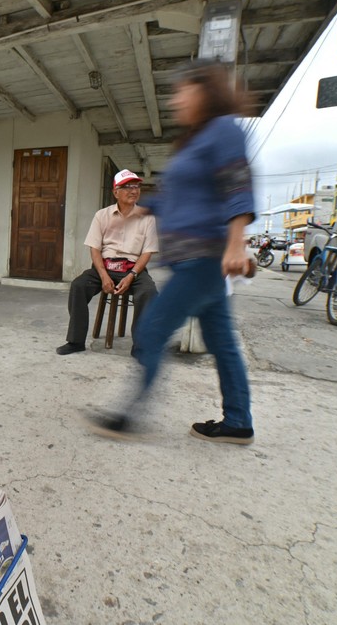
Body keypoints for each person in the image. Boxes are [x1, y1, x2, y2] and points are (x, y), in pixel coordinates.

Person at [87, 59, 256, 445]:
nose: (176, 101)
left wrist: (236, 242)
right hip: (198, 261)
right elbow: (182, 199)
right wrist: (144, 209)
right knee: (222, 342)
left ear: (204, 91)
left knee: (151, 328)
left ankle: (127, 416)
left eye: (183, 91)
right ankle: (238, 421)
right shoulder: (196, 142)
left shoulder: (223, 129)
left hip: (203, 258)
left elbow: (237, 184)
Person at [56, 169, 158, 355]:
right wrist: (103, 275)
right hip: (104, 267)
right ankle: (76, 341)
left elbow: (148, 251)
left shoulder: (147, 218)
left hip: (133, 269)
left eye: (136, 186)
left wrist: (131, 276)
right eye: (127, 187)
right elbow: (94, 248)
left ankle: (141, 347)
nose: (133, 190)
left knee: (149, 292)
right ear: (115, 192)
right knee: (78, 286)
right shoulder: (101, 215)